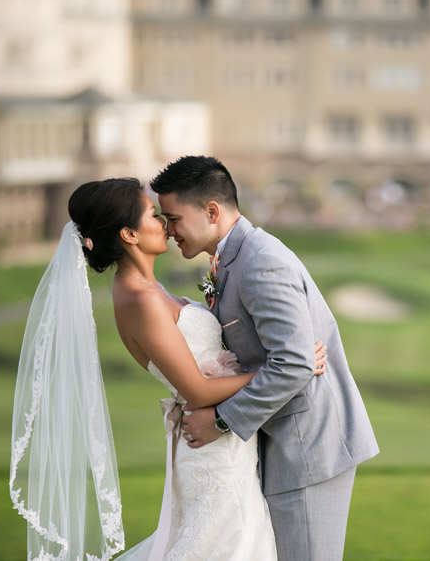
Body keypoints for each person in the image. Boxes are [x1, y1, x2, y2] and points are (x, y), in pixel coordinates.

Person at [10, 177, 328, 561]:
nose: (164, 223)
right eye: (153, 215)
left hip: (227, 446)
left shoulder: (150, 288)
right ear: (129, 233)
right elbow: (197, 391)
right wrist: (292, 367)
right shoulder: (138, 299)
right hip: (212, 452)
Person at [150, 156, 379, 561]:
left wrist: (221, 419)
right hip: (281, 446)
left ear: (212, 211)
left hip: (308, 449)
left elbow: (293, 365)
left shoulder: (260, 261)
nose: (168, 231)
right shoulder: (229, 259)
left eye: (173, 218)